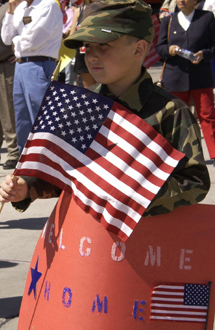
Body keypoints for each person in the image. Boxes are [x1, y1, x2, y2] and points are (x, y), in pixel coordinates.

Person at [0, 0, 211, 328]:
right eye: (87, 47)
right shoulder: (83, 106)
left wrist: (136, 198)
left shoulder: (168, 112)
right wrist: (28, 188)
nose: (91, 56)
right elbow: (65, 173)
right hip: (87, 255)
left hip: (141, 256)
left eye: (104, 46)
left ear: (140, 48)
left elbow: (196, 180)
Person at [1, 0, 63, 154]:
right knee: (22, 120)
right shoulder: (20, 7)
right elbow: (6, 38)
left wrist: (17, 41)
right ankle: (26, 161)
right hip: (21, 66)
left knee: (41, 117)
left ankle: (47, 159)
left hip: (40, 64)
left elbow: (33, 41)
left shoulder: (48, 5)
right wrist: (10, 10)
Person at [155, 0, 215, 160]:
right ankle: (182, 157)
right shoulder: (168, 20)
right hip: (175, 77)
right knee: (179, 120)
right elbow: (159, 48)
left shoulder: (207, 18)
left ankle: (214, 154)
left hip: (201, 77)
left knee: (207, 115)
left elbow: (214, 46)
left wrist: (205, 54)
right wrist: (169, 49)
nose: (180, 0)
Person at [0, 0, 19, 169]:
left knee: (8, 111)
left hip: (6, 65)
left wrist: (19, 53)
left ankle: (14, 152)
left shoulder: (10, 7)